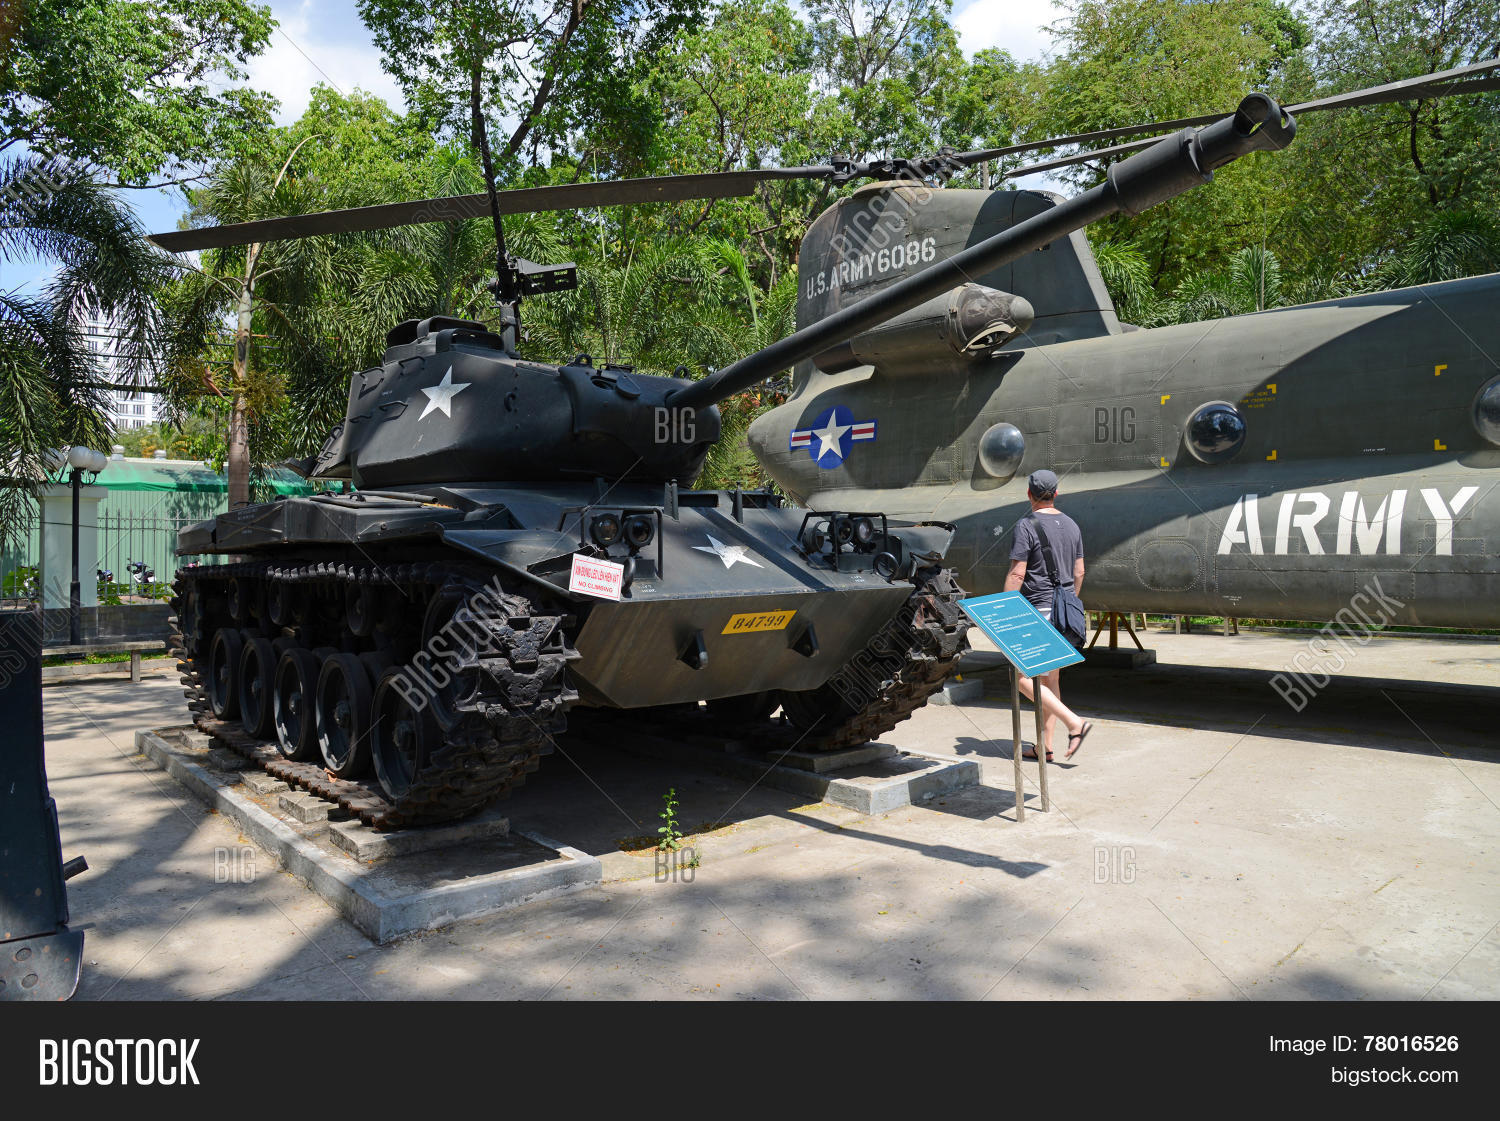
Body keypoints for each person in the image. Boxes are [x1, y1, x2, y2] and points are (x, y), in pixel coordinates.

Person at [1004, 469, 1094, 761]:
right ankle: (1045, 747)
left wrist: (1006, 608)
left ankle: (1074, 722)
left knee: (1022, 678)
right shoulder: (1072, 525)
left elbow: (1018, 572)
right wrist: (1068, 601)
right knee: (1050, 680)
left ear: (1029, 494)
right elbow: (1079, 572)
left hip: (1038, 609)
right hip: (1063, 612)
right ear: (1056, 493)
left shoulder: (1025, 525)